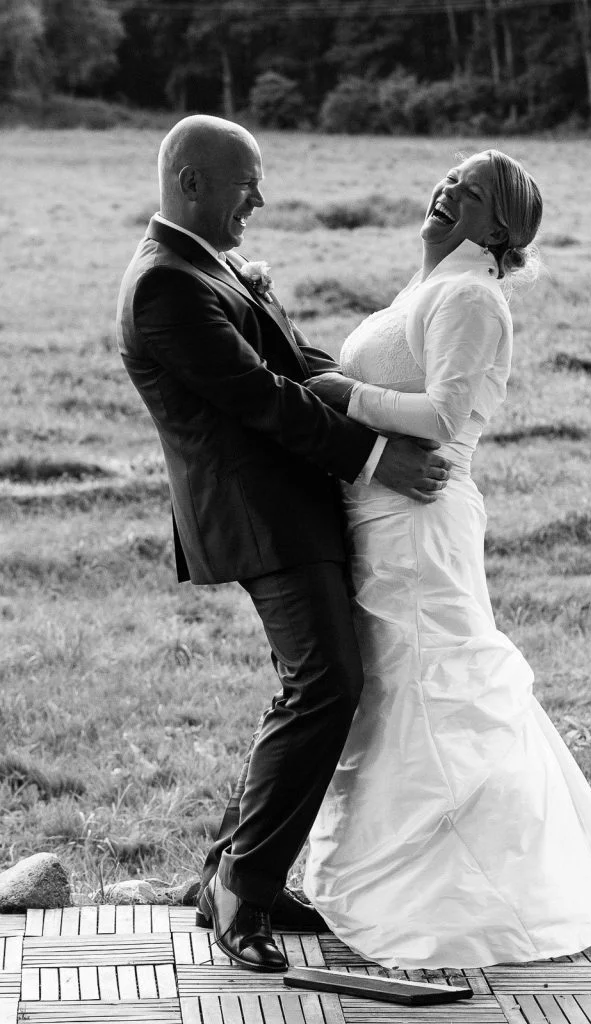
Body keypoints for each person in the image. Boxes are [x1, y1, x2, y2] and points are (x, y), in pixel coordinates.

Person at [116, 114, 453, 973]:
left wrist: (376, 400)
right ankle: (244, 892)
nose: (260, 198)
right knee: (327, 684)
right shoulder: (164, 286)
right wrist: (375, 456)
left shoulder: (205, 264)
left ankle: (228, 873)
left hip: (291, 508)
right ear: (192, 183)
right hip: (260, 517)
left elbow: (294, 362)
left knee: (315, 684)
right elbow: (262, 398)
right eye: (246, 182)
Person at [302, 150, 591, 969]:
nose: (448, 190)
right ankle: (381, 876)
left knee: (434, 684)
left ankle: (460, 901)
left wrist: (340, 396)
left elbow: (445, 415)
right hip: (375, 514)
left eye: (473, 191)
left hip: (418, 522)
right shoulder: (422, 289)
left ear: (499, 228)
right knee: (387, 690)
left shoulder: (469, 296)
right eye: (450, 179)